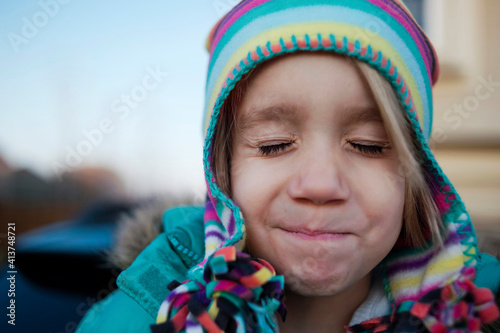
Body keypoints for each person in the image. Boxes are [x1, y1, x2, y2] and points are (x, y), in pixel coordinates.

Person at [77, 0, 500, 332]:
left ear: (417, 175)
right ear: (221, 172)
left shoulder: (481, 314)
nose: (320, 184)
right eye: (275, 145)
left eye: (368, 146)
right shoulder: (142, 318)